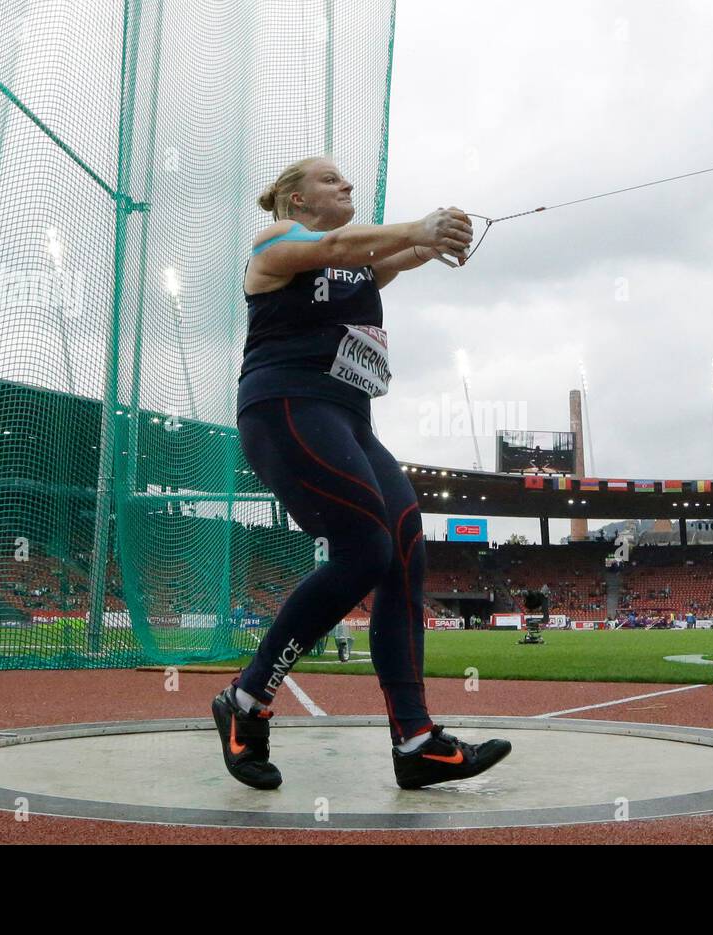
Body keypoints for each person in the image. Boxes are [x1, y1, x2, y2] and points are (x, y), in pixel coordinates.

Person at [211, 156, 511, 791]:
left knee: (404, 546)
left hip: (349, 418)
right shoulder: (276, 241)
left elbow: (385, 260)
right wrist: (416, 227)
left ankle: (417, 740)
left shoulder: (352, 262)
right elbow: (343, 244)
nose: (347, 186)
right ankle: (245, 701)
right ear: (296, 201)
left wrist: (435, 239)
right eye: (331, 180)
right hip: (287, 405)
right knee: (364, 549)